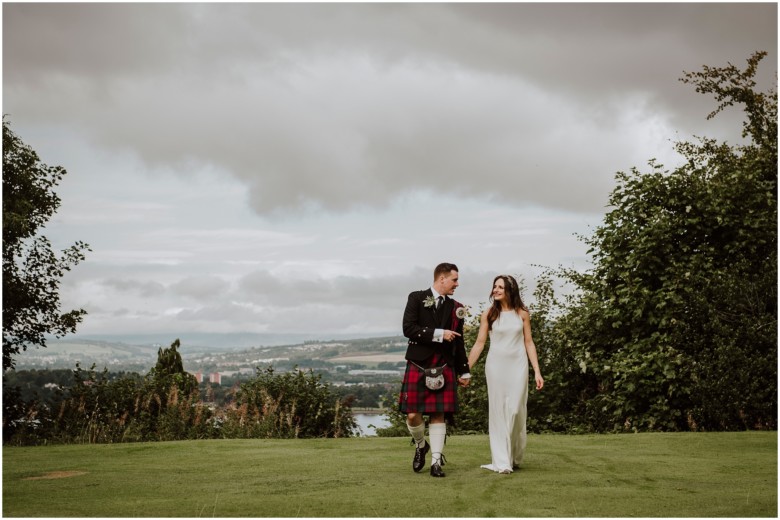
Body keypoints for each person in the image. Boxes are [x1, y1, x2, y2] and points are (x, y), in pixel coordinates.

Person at [400, 262, 471, 477]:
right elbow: (408, 329)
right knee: (413, 415)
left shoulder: (456, 307)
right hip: (419, 363)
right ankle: (421, 445)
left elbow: (459, 342)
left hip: (444, 364)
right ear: (442, 278)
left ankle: (436, 462)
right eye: (454, 280)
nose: (457, 284)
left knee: (438, 414)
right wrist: (439, 334)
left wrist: (464, 370)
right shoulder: (416, 298)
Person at [467, 274, 544, 474]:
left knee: (516, 410)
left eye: (500, 287)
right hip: (496, 367)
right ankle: (502, 462)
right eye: (494, 286)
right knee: (499, 412)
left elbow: (529, 342)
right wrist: (466, 368)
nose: (496, 290)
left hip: (518, 366)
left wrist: (537, 370)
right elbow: (480, 343)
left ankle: (514, 456)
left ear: (510, 290)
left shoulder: (523, 313)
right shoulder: (489, 314)